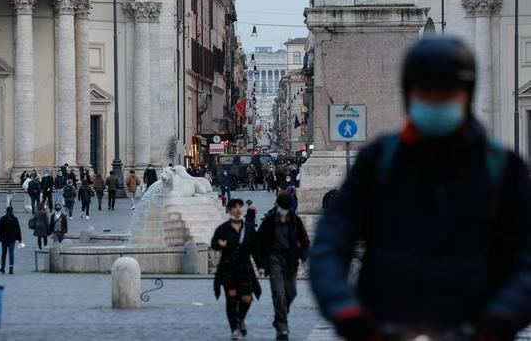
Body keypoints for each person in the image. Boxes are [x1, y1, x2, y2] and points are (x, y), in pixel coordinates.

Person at [310, 36, 531, 341]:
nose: (437, 101)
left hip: (476, 328)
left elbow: (526, 255)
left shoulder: (503, 168)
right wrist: (346, 310)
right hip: (386, 328)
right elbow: (331, 240)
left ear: (465, 95)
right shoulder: (377, 161)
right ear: (409, 95)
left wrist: (503, 316)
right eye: (427, 92)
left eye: (447, 92)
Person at [258, 192, 310, 340]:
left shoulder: (295, 220)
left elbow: (305, 240)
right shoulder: (269, 221)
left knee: (291, 292)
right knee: (278, 293)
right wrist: (262, 264)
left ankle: (280, 314)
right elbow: (259, 241)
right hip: (274, 258)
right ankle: (282, 326)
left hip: (291, 260)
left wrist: (303, 256)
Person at [211, 198, 263, 340]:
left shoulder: (249, 229)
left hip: (245, 268)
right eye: (235, 207)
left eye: (240, 207)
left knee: (246, 299)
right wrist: (219, 243)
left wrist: (260, 266)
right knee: (232, 297)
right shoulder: (223, 229)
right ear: (230, 210)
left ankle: (240, 318)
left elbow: (255, 249)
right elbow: (214, 243)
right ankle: (234, 328)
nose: (238, 209)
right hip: (228, 268)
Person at [0, 206, 22, 274]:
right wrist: (20, 239)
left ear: (6, 211)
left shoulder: (3, 218)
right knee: (11, 253)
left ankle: (3, 267)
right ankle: (11, 267)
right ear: (12, 211)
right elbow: (18, 229)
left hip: (4, 238)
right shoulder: (15, 219)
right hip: (12, 239)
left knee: (4, 253)